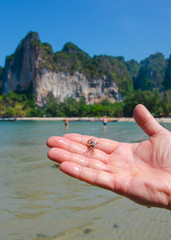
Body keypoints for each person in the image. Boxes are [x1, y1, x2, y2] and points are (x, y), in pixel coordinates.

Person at [46, 104, 171, 210]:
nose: (91, 147)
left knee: (90, 151)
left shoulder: (92, 146)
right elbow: (91, 144)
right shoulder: (92, 145)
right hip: (93, 143)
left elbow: (91, 145)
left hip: (93, 143)